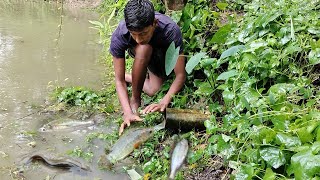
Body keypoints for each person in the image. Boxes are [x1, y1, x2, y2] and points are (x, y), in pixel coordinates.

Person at [110, 0, 186, 135]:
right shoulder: (120, 35)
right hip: (142, 54)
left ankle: (131, 77)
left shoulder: (170, 30)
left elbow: (180, 75)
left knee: (153, 90)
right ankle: (136, 99)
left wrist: (164, 101)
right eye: (134, 34)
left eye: (143, 33)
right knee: (143, 48)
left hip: (163, 56)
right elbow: (118, 81)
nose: (138, 38)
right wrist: (127, 112)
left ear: (154, 24)